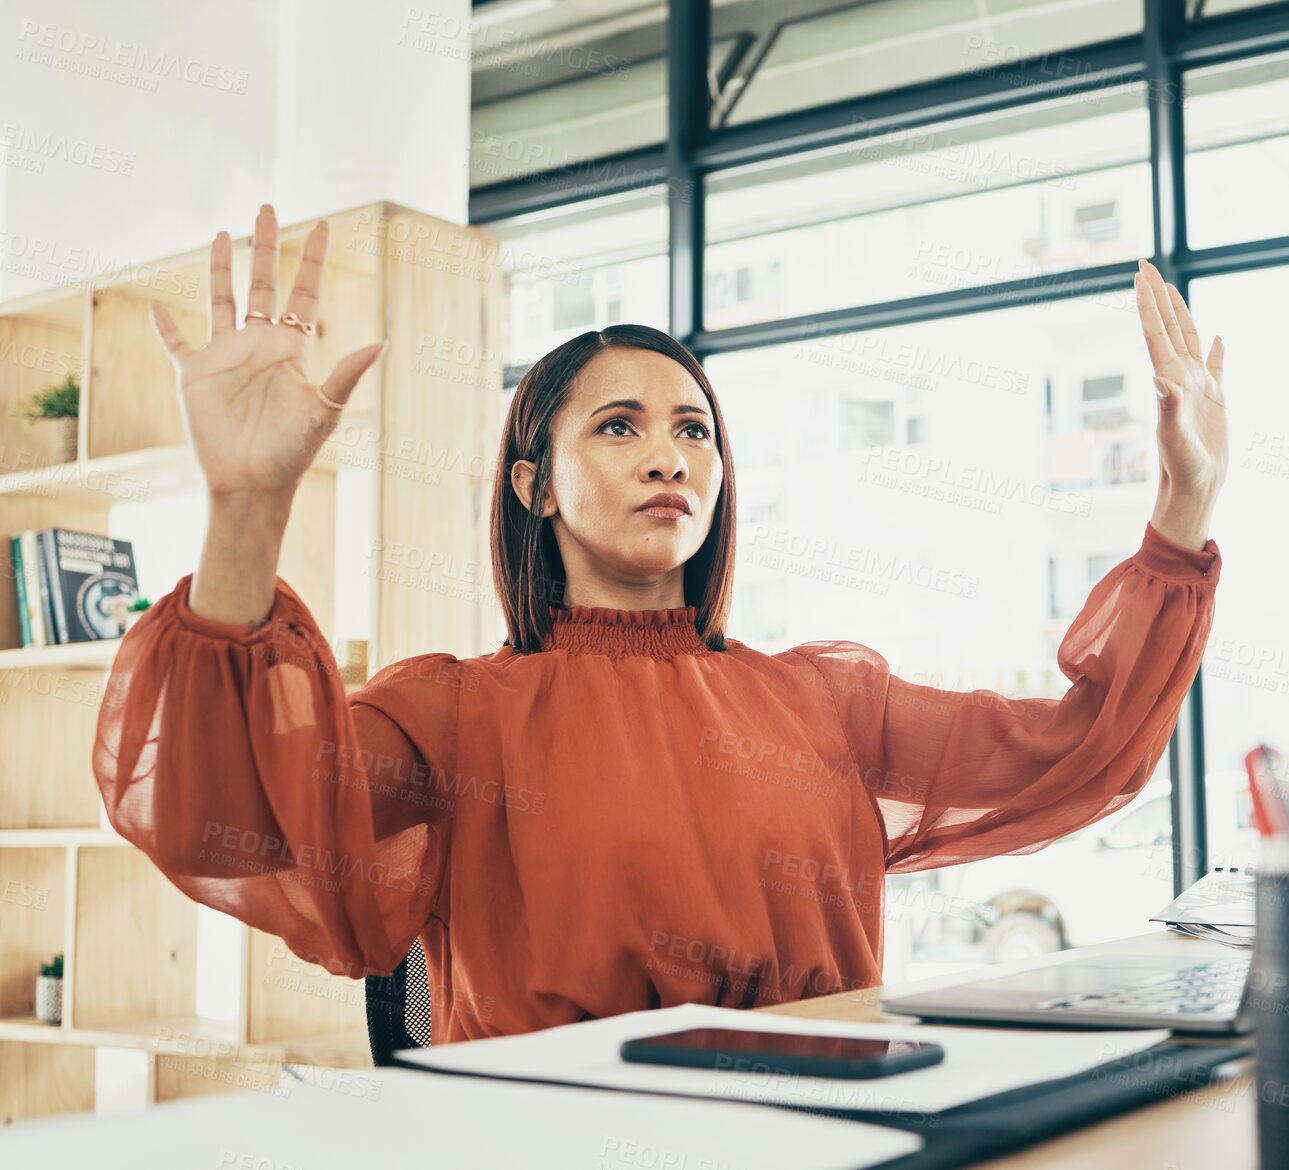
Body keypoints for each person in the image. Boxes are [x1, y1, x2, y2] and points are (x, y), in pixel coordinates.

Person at [92, 204, 1230, 1044]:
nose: (667, 456)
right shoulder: (456, 713)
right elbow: (224, 816)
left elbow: (1076, 748)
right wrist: (248, 504)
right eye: (621, 427)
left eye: (693, 430)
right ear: (534, 486)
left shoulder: (819, 701)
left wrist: (1182, 506)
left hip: (829, 1141)